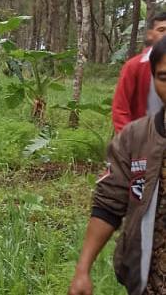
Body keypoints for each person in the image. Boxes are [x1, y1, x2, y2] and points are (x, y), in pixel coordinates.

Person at [68, 36, 166, 295]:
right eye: (164, 77)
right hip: (148, 281)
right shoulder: (136, 138)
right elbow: (108, 203)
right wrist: (82, 269)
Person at [112, 13, 166, 133]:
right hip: (144, 139)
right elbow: (120, 108)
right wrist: (129, 141)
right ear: (150, 35)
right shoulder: (134, 66)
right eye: (161, 30)